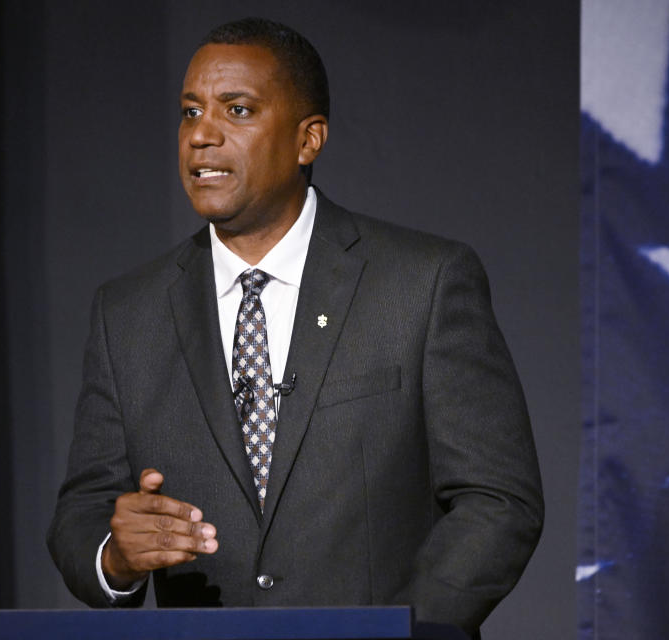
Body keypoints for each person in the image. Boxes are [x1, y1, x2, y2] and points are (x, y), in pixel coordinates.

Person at [48, 17, 543, 637]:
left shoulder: (425, 282)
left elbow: (498, 501)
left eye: (237, 109)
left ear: (308, 139)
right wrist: (117, 557)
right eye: (189, 111)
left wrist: (406, 629)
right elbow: (82, 513)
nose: (202, 135)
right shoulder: (128, 313)